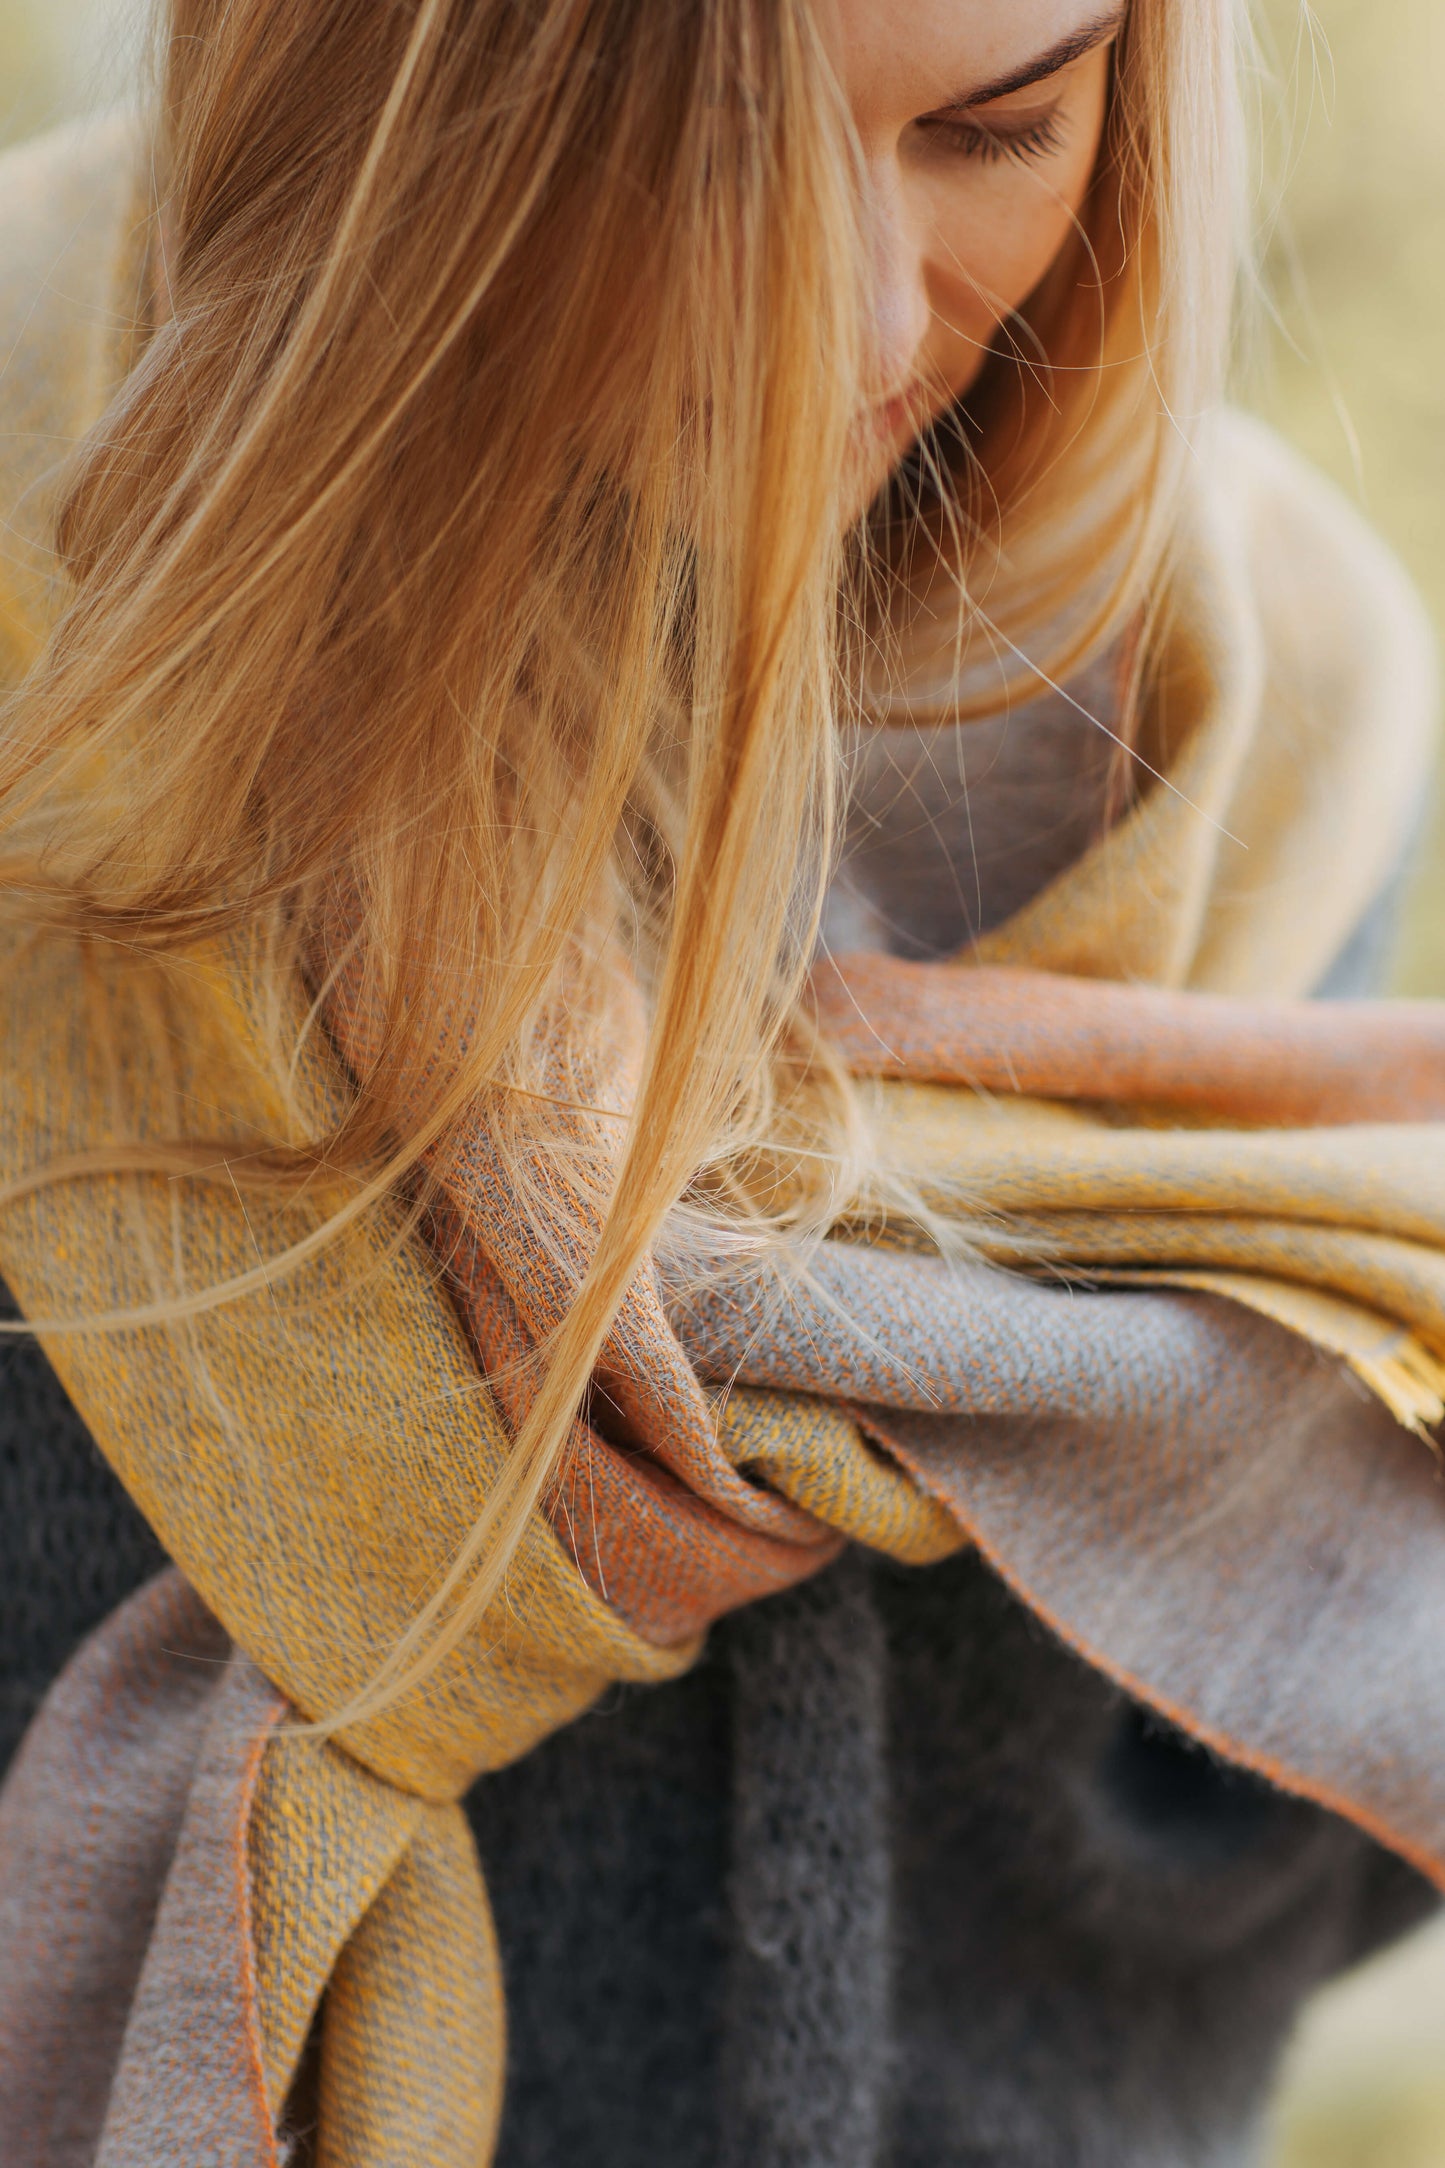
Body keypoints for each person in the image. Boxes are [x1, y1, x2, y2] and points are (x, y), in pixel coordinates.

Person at [0, 2, 1440, 2163]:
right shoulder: (47, 606)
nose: (843, 316)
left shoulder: (1262, 715)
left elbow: (1249, 1774)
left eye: (998, 126)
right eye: (679, 147)